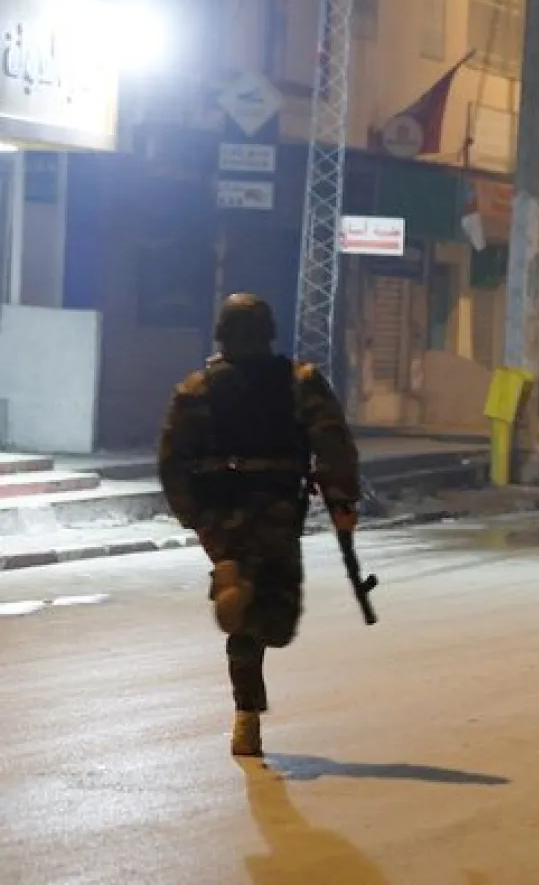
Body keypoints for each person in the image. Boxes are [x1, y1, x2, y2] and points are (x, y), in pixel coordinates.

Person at [157, 294, 361, 758]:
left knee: (244, 626)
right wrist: (341, 501)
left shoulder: (195, 389)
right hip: (276, 511)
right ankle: (243, 604)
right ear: (270, 332)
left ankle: (245, 714)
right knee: (279, 621)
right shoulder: (299, 383)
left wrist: (198, 520)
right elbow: (333, 447)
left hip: (221, 520)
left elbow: (170, 462)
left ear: (221, 334)